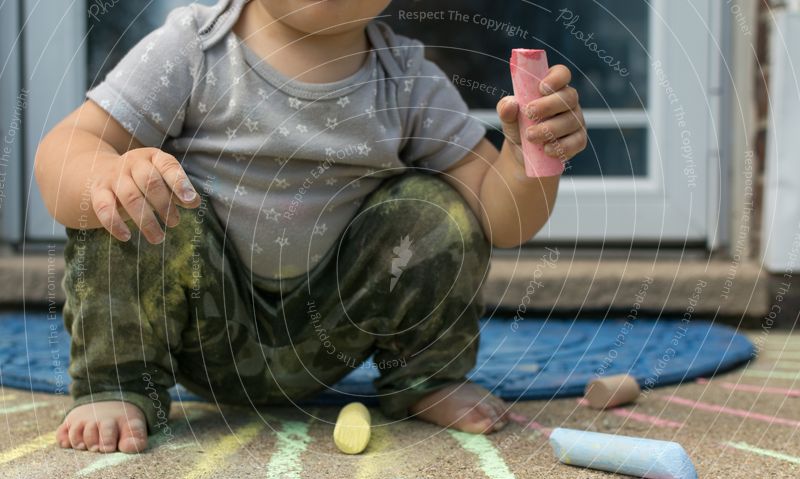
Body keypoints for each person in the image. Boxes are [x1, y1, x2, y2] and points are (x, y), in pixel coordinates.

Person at [35, 0, 587, 454]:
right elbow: (65, 150)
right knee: (128, 193)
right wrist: (107, 171)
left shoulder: (407, 77)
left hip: (332, 326)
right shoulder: (192, 48)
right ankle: (117, 381)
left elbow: (498, 216)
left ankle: (427, 376)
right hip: (203, 321)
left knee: (435, 206)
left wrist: (527, 157)